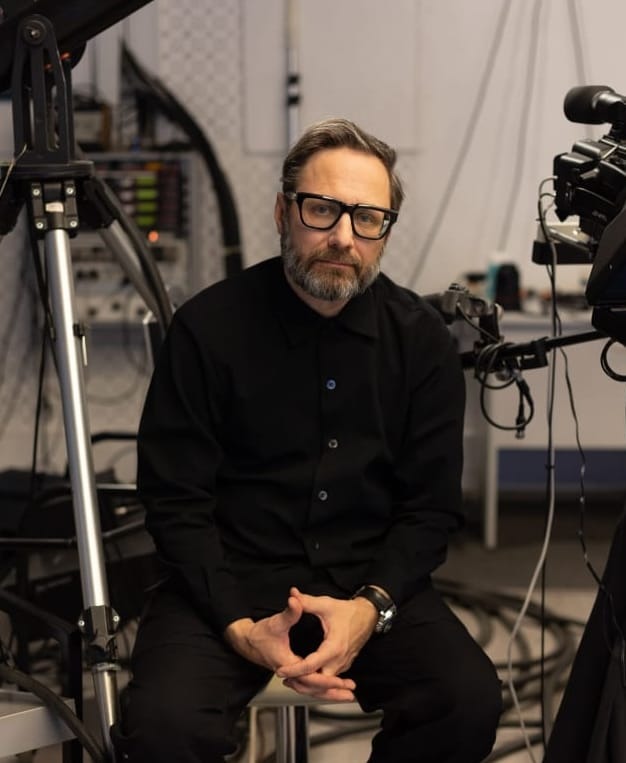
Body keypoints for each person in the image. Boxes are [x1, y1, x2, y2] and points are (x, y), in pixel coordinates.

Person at [112, 118, 502, 762]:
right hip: (227, 582)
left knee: (465, 702)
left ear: (384, 232)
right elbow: (175, 501)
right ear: (283, 212)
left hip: (367, 584)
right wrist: (239, 627)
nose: (343, 237)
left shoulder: (423, 342)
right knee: (163, 728)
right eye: (322, 210)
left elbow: (430, 510)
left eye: (367, 219)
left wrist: (368, 610)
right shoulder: (207, 330)